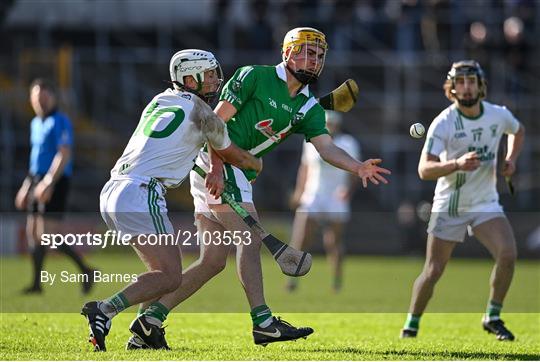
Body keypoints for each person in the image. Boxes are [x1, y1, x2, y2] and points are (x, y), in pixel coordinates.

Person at [144, 27, 390, 349]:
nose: (313, 60)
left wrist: (357, 167)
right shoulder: (253, 77)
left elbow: (327, 149)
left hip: (234, 172)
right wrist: (216, 167)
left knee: (213, 261)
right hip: (218, 164)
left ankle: (150, 320)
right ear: (287, 53)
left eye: (318, 55)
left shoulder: (308, 108)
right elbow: (212, 124)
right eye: (306, 51)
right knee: (249, 239)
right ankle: (263, 323)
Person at [81, 49, 262, 351]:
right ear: (190, 79)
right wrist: (255, 163)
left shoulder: (159, 100)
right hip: (142, 191)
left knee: (160, 273)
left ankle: (145, 333)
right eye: (210, 75)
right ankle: (105, 309)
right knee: (170, 276)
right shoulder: (205, 114)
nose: (217, 80)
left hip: (114, 187)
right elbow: (231, 153)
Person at [401, 60, 525, 341]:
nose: (466, 87)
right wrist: (456, 164)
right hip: (450, 204)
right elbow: (424, 170)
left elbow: (518, 131)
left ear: (481, 86)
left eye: (471, 81)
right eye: (460, 82)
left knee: (508, 254)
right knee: (433, 271)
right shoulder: (443, 122)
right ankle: (412, 323)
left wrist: (510, 159)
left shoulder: (497, 115)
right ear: (452, 88)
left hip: (485, 202)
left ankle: (492, 316)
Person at [15, 78, 95, 294]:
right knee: (33, 232)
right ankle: (36, 284)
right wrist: (26, 186)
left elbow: (64, 153)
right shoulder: (35, 123)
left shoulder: (60, 121)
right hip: (36, 179)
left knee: (48, 236)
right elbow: (35, 158)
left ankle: (86, 270)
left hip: (55, 180)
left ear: (52, 97)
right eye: (36, 97)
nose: (40, 101)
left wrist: (49, 182)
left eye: (43, 96)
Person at [287, 110, 360, 292]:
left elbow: (355, 171)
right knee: (301, 238)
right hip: (314, 194)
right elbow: (304, 169)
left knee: (333, 242)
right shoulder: (311, 142)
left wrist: (348, 192)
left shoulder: (348, 143)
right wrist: (299, 191)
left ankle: (336, 281)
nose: (330, 127)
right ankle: (292, 279)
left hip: (336, 196)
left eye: (333, 124)